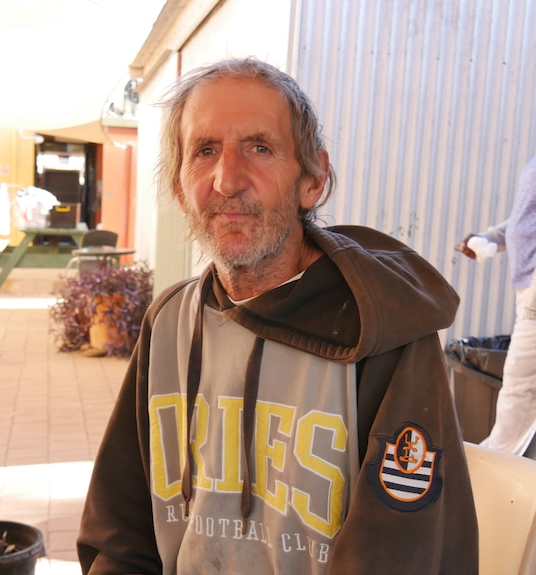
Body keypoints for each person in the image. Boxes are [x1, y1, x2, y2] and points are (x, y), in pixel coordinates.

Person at [77, 57, 478, 574]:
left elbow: (398, 552)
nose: (227, 180)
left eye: (259, 148)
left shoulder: (380, 331)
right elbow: (120, 534)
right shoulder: (171, 323)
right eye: (204, 151)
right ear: (179, 186)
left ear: (312, 181)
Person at [456, 154, 536, 456]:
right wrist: (490, 238)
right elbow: (526, 217)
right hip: (528, 296)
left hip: (533, 301)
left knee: (518, 399)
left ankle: (494, 488)